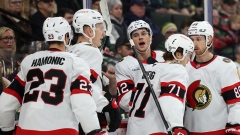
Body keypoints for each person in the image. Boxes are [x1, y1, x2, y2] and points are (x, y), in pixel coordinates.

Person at [0, 17, 106, 135]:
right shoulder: (76, 62)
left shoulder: (29, 61)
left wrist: (7, 129)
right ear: (67, 36)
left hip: (26, 130)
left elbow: (5, 104)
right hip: (62, 130)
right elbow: (82, 102)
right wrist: (94, 131)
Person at [120, 33, 193, 135]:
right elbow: (170, 98)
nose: (189, 60)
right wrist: (176, 126)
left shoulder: (146, 69)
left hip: (133, 129)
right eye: (188, 55)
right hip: (155, 131)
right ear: (178, 54)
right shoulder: (176, 69)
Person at [68, 9, 122, 133]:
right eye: (100, 28)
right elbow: (86, 84)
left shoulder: (70, 51)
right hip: (87, 114)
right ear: (89, 31)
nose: (103, 34)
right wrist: (105, 104)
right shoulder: (91, 51)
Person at [184, 21, 240, 135]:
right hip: (189, 131)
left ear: (209, 40)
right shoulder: (183, 67)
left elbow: (236, 103)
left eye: (198, 39)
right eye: (191, 39)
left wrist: (234, 126)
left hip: (218, 132)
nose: (194, 44)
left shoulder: (225, 66)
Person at [115, 20, 164, 112]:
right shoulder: (124, 65)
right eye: (135, 35)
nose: (140, 37)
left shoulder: (163, 57)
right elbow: (124, 101)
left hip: (163, 117)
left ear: (150, 37)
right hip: (138, 119)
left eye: (144, 33)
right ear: (131, 41)